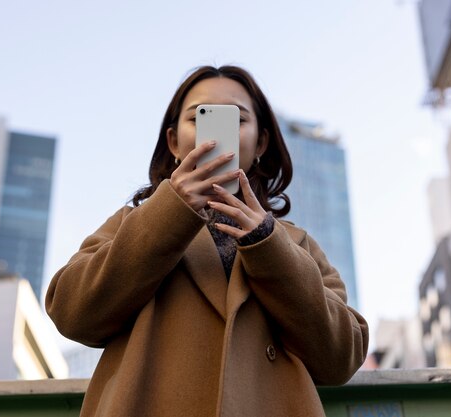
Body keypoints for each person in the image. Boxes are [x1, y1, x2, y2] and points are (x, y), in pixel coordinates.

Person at [46, 65, 369, 417]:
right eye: (199, 117)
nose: (214, 134)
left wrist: (267, 244)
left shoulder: (295, 242)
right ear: (173, 143)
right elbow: (71, 312)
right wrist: (169, 213)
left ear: (261, 142)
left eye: (237, 119)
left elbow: (342, 357)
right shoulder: (131, 223)